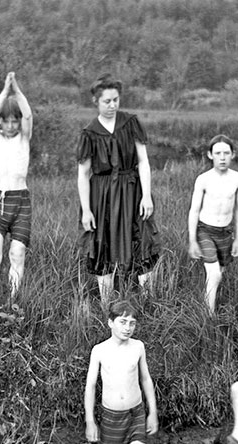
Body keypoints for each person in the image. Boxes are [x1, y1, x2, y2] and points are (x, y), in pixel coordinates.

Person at [77, 74, 160, 304]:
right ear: (96, 101)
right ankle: (106, 304)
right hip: (101, 195)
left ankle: (148, 302)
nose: (112, 105)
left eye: (116, 100)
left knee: (142, 238)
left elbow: (143, 161)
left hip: (132, 190)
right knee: (100, 242)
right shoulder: (90, 133)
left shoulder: (130, 123)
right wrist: (86, 210)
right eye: (107, 101)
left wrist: (146, 195)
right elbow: (83, 174)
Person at [84, 299, 158, 444]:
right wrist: (90, 421)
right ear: (111, 323)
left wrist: (152, 412)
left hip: (136, 413)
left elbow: (146, 379)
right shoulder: (99, 350)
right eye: (123, 322)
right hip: (112, 416)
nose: (127, 328)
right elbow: (90, 386)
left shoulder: (138, 347)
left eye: (132, 323)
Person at [0, 71, 33, 304]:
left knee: (17, 254)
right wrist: (5, 91)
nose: (12, 125)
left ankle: (13, 304)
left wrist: (17, 90)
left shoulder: (24, 139)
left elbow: (29, 115)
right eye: (8, 120)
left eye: (16, 120)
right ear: (2, 122)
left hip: (21, 201)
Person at [187, 134, 238, 314]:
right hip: (205, 230)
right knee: (213, 273)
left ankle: (210, 298)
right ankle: (208, 315)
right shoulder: (203, 179)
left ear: (233, 155)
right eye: (218, 153)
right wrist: (192, 241)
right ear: (210, 155)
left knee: (219, 273)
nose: (222, 157)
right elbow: (194, 210)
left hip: (226, 232)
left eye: (226, 153)